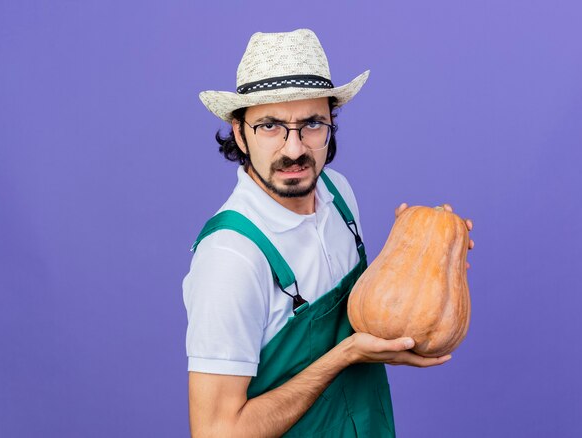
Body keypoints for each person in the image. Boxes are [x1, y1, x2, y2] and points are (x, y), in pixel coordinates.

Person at [183, 29, 475, 437]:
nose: (294, 149)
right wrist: (346, 354)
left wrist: (425, 251)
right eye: (270, 126)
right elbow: (217, 432)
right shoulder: (231, 257)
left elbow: (380, 311)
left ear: (331, 124)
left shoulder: (338, 193)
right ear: (239, 133)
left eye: (312, 124)